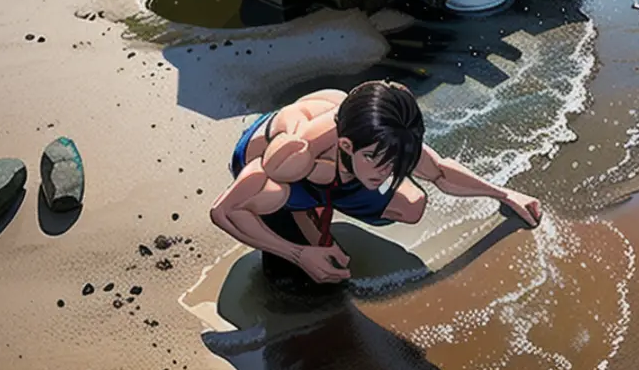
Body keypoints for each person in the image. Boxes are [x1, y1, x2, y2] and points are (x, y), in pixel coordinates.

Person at [212, 81, 542, 285]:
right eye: (375, 160)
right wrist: (299, 255)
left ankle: (315, 215)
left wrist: (505, 194)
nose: (385, 172)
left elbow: (440, 172)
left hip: (337, 172)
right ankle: (301, 215)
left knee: (412, 205)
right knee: (275, 200)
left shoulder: (385, 138)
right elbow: (225, 210)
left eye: (392, 163)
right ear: (345, 145)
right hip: (283, 173)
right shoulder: (295, 153)